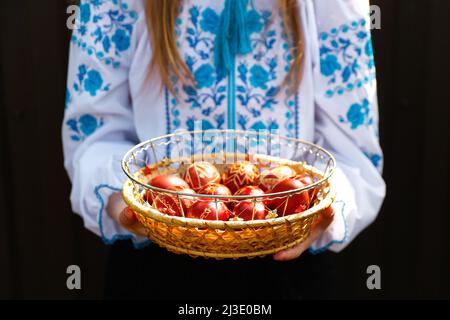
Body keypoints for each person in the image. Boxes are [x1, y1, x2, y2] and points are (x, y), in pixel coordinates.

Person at [63, 0, 386, 299]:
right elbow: (93, 135)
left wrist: (317, 210)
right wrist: (126, 201)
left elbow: (353, 156)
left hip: (290, 269)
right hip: (154, 265)